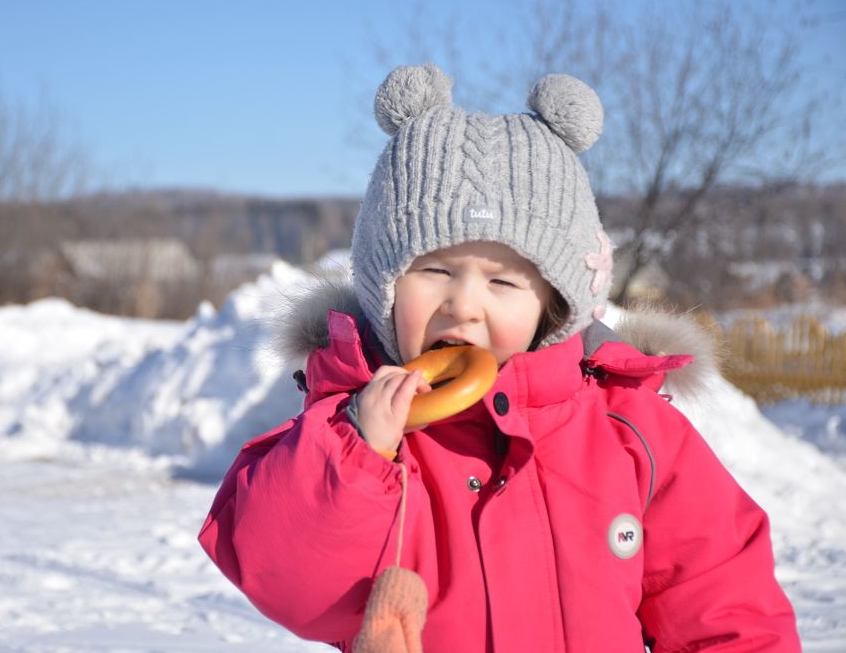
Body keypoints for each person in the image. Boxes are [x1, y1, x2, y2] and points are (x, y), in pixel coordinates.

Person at [199, 64, 800, 651]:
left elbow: (723, 603)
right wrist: (356, 451)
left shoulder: (629, 430)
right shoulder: (357, 432)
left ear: (554, 303)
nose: (464, 306)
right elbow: (287, 581)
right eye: (435, 271)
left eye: (503, 282)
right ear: (384, 287)